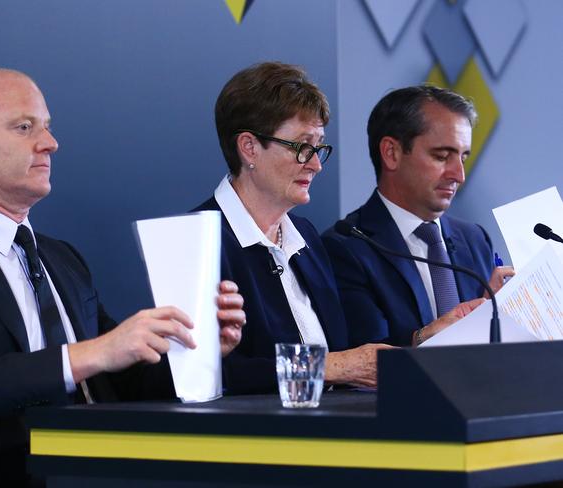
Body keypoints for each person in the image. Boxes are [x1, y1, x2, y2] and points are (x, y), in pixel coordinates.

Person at [0, 68, 245, 487]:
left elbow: (119, 385)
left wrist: (196, 345)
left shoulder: (61, 258)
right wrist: (92, 353)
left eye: (47, 128)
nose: (50, 143)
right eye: (24, 127)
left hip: (102, 468)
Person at [194, 61, 397, 395]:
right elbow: (212, 374)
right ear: (249, 147)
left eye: (319, 147)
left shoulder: (306, 237)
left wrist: (426, 338)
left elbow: (349, 355)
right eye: (303, 147)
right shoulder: (201, 242)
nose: (316, 164)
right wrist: (330, 366)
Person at [322, 85, 513, 347]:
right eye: (442, 156)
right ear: (392, 153)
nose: (459, 175)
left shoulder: (474, 239)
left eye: (463, 158)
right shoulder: (345, 247)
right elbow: (362, 362)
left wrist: (498, 319)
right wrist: (423, 339)